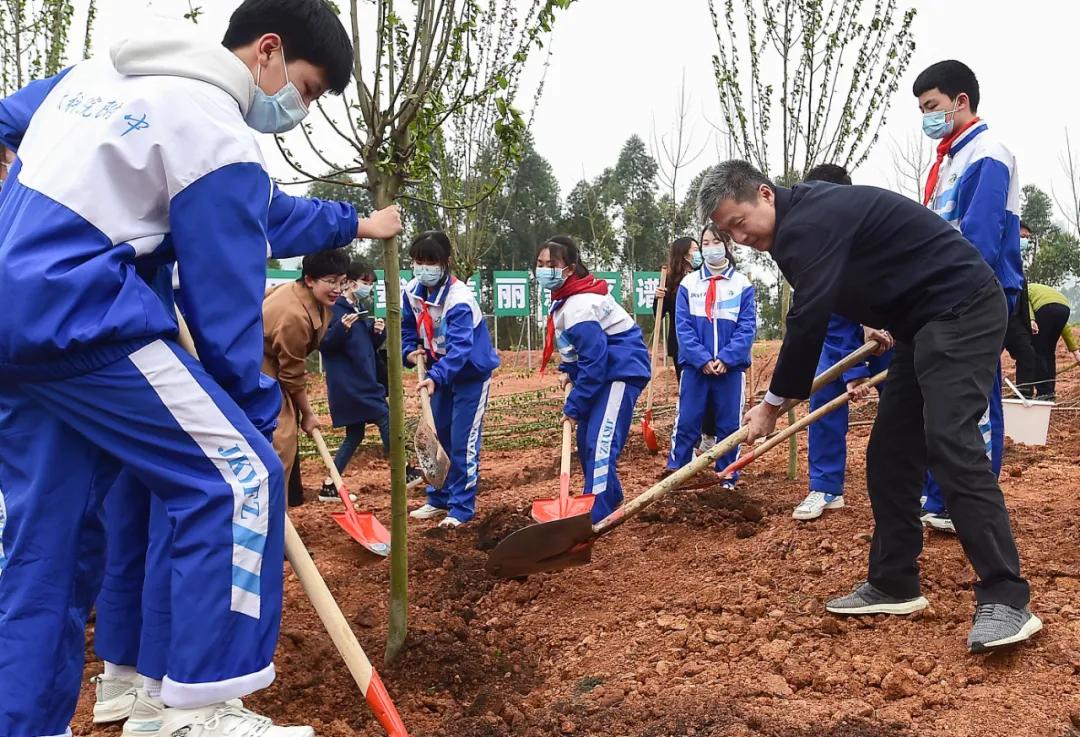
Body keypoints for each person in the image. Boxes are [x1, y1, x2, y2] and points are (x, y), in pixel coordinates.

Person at [0, 0, 403, 733]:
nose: (298, 111)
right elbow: (225, 311)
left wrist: (356, 222)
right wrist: (250, 420)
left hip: (15, 318)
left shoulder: (99, 73)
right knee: (239, 477)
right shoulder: (213, 126)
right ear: (268, 52)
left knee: (46, 547)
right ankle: (198, 708)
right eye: (307, 90)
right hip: (84, 313)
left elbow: (267, 211)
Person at [700, 159, 1040, 652]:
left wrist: (772, 405)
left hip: (961, 307)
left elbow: (808, 316)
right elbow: (849, 278)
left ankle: (1007, 597)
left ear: (765, 194)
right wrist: (869, 321)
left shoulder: (809, 219)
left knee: (949, 440)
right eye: (728, 232)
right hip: (917, 324)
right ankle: (894, 581)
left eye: (739, 222)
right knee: (889, 453)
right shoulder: (799, 223)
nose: (740, 237)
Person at [915, 59, 1023, 533]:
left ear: (961, 102)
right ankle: (940, 497)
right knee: (942, 397)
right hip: (944, 293)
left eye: (932, 106)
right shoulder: (948, 161)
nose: (927, 117)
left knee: (974, 398)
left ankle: (970, 502)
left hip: (977, 290)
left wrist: (952, 290)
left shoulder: (988, 153)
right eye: (921, 109)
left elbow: (980, 234)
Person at [793, 163, 893, 521]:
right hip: (836, 336)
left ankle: (924, 490)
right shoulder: (810, 245)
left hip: (887, 335)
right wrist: (852, 370)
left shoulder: (873, 229)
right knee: (825, 397)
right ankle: (825, 487)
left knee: (907, 406)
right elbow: (829, 314)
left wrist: (874, 334)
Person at [535, 236, 651, 522]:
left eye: (552, 264)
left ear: (570, 268)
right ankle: (609, 498)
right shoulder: (564, 302)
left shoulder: (579, 306)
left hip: (620, 371)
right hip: (603, 372)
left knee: (600, 442)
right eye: (540, 264)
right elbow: (579, 352)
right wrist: (569, 371)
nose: (544, 270)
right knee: (587, 439)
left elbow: (595, 363)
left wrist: (574, 407)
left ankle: (595, 513)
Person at [403, 231, 499, 528]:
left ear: (446, 262)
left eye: (431, 261)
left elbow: (459, 351)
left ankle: (461, 507)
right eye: (419, 261)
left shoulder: (459, 299)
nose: (424, 267)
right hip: (437, 373)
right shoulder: (412, 291)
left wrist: (436, 376)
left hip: (469, 375)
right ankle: (438, 498)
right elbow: (408, 327)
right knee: (437, 435)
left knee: (462, 440)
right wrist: (409, 351)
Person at [665, 223, 755, 489]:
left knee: (729, 424)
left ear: (727, 245)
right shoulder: (688, 285)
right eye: (705, 243)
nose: (710, 247)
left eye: (716, 242)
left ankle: (727, 476)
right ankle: (677, 476)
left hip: (731, 370)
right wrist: (701, 359)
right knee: (688, 421)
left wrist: (726, 358)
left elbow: (747, 327)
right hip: (695, 369)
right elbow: (683, 327)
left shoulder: (742, 285)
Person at [263, 249, 351, 501]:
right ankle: (273, 521)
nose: (337, 288)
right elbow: (292, 374)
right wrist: (308, 414)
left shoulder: (302, 294)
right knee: (280, 444)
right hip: (261, 372)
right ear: (310, 279)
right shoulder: (294, 316)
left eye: (341, 281)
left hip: (273, 370)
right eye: (330, 281)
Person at [318, 261, 391, 501]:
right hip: (353, 385)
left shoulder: (356, 309)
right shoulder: (335, 310)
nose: (367, 288)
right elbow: (325, 345)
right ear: (350, 282)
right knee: (385, 416)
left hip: (361, 380)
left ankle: (331, 485)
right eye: (365, 283)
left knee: (355, 434)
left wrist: (377, 333)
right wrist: (341, 329)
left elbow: (364, 347)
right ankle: (403, 468)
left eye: (370, 284)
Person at [653, 236, 719, 455]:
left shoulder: (705, 277)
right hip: (682, 348)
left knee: (710, 392)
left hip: (706, 344)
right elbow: (659, 316)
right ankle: (692, 438)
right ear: (684, 255)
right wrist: (658, 299)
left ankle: (709, 435)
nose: (699, 252)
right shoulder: (671, 283)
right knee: (690, 393)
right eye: (695, 249)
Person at [1003, 222, 1040, 399]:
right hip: (996, 317)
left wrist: (1030, 319)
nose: (1024, 241)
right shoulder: (998, 255)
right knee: (986, 359)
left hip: (1016, 321)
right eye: (1021, 237)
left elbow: (1024, 297)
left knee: (1027, 355)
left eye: (1027, 239)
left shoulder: (1018, 263)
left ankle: (1023, 397)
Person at [1025, 282, 1080, 399]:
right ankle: (1050, 391)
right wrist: (1076, 352)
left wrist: (1031, 319)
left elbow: (1025, 303)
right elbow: (1065, 327)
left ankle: (1043, 392)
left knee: (1038, 351)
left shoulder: (1023, 289)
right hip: (1064, 307)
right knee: (1049, 353)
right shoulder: (1041, 291)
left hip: (1044, 309)